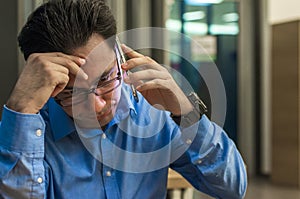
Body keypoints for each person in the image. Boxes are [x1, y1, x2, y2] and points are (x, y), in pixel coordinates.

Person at [0, 0, 247, 198]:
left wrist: (186, 112)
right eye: (70, 94)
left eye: (105, 79)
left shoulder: (155, 112)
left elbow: (231, 187)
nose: (97, 106)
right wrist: (20, 110)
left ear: (119, 53)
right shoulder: (25, 133)